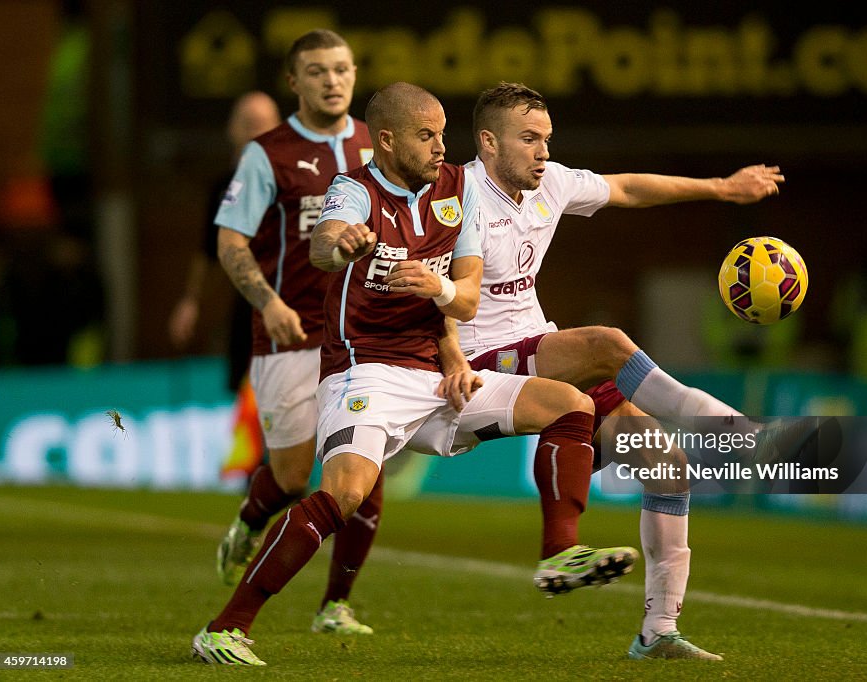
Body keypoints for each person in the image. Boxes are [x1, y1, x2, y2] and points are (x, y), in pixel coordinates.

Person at [192, 82, 636, 666]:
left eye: (443, 134)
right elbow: (325, 247)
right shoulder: (353, 189)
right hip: (364, 372)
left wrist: (445, 313)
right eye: (426, 136)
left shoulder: (458, 190)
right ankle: (225, 628)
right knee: (344, 494)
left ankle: (559, 554)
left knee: (571, 407)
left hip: (435, 374)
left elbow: (468, 297)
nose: (439, 147)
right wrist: (342, 242)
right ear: (387, 140)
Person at [460, 82, 789, 661]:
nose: (543, 151)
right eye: (529, 139)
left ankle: (657, 633)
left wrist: (720, 188)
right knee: (606, 342)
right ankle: (726, 425)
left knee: (667, 465)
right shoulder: (453, 194)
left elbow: (628, 188)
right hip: (482, 360)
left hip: (539, 347)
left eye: (547, 139)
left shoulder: (552, 184)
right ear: (488, 143)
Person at [208, 29, 382, 638]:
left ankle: (335, 604)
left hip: (362, 339)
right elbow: (229, 241)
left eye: (340, 69)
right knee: (290, 477)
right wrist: (267, 301)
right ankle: (251, 517)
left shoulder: (374, 143)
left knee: (363, 468)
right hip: (290, 336)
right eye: (316, 71)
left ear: (354, 73)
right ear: (294, 81)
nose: (331, 81)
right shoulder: (269, 153)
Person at [167, 91, 280, 484]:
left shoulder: (292, 180)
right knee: (249, 387)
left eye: (262, 123)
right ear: (232, 130)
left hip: (297, 303)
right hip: (248, 307)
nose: (254, 131)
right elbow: (207, 250)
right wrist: (191, 301)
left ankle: (280, 473)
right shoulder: (223, 187)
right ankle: (260, 476)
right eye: (247, 123)